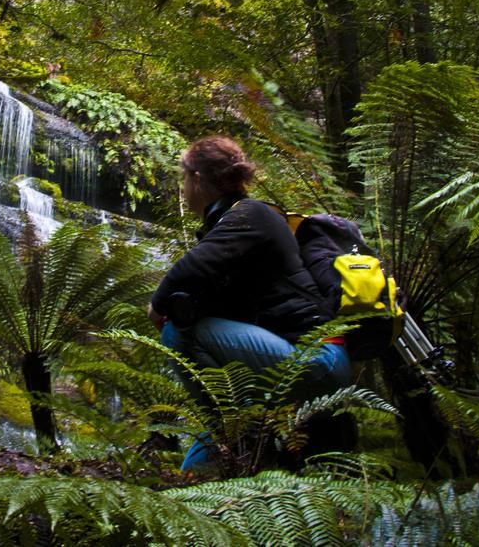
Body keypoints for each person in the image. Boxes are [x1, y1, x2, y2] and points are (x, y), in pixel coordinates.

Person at [146, 136, 352, 470]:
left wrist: (157, 306)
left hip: (316, 356)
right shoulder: (234, 224)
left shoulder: (251, 213)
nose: (183, 188)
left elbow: (194, 267)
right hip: (296, 359)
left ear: (196, 179)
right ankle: (224, 454)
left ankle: (233, 432)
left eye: (183, 179)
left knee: (177, 332)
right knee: (193, 475)